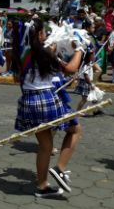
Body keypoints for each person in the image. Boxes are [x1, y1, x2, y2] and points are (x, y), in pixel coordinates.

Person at [12, 18, 83, 197]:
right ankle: (59, 169)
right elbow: (72, 69)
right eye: (44, 31)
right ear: (39, 35)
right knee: (75, 130)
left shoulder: (21, 53)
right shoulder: (42, 53)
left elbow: (18, 78)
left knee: (45, 146)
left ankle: (42, 186)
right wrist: (79, 49)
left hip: (29, 101)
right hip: (46, 100)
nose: (47, 34)